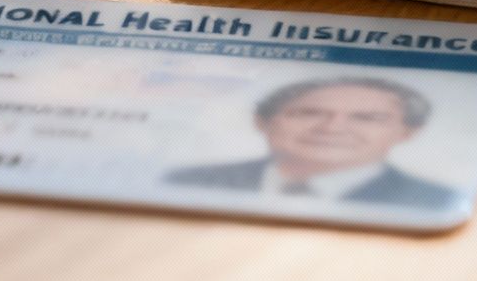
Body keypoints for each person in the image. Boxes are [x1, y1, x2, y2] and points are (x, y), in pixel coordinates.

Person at [165, 76, 459, 210]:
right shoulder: (186, 180)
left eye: (366, 118)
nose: (332, 128)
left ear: (407, 133)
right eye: (309, 112)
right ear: (263, 122)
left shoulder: (435, 203)